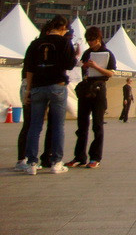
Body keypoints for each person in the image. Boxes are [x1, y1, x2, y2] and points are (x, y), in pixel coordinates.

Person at [22, 15, 78, 175]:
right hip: (57, 85)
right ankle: (56, 162)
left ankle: (31, 163)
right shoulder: (64, 42)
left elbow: (29, 68)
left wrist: (28, 90)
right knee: (58, 125)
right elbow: (70, 64)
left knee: (35, 126)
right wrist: (75, 55)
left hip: (37, 86)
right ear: (63, 28)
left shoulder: (35, 43)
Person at [66, 26, 116, 169]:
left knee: (97, 125)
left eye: (92, 40)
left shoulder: (107, 53)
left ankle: (95, 157)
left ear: (99, 39)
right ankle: (79, 156)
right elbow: (82, 68)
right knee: (82, 125)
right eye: (88, 40)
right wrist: (85, 66)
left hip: (99, 88)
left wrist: (96, 67)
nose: (90, 43)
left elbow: (111, 73)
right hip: (86, 87)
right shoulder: (87, 52)